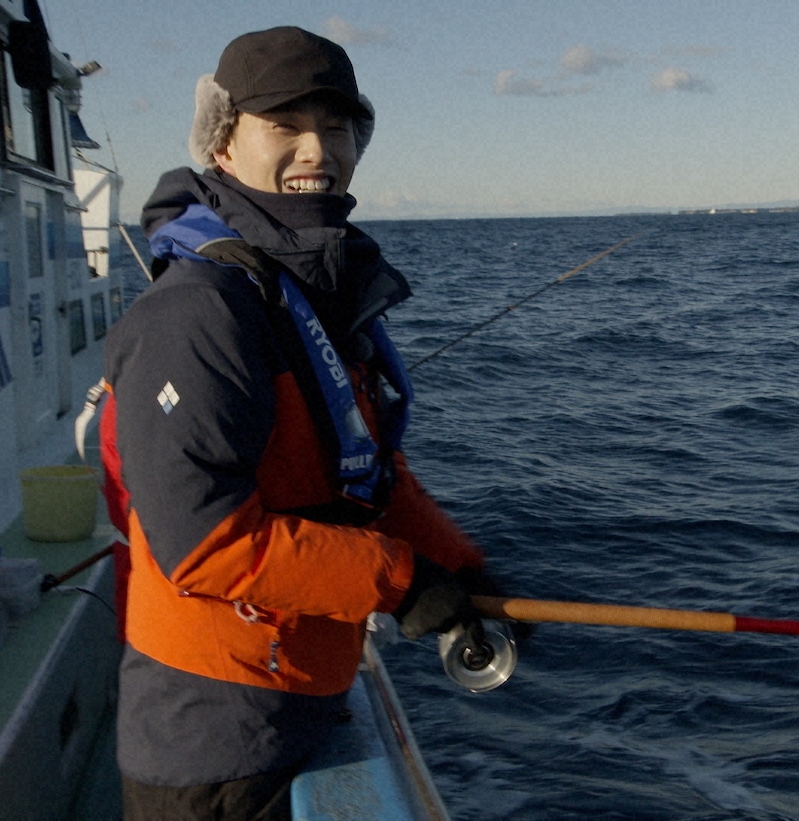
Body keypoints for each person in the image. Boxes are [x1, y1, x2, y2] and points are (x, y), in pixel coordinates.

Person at [101, 26, 504, 820]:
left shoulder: (312, 286)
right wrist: (400, 578)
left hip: (303, 685)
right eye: (284, 125)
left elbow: (363, 471)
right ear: (222, 144)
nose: (317, 147)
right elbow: (204, 542)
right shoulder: (198, 311)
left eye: (339, 124)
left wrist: (457, 565)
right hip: (214, 735)